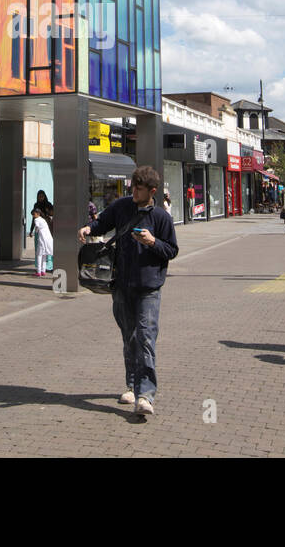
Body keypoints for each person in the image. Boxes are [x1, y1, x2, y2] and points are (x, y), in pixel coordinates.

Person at [78, 165, 178, 416]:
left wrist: (153, 241)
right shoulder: (122, 207)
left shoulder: (161, 218)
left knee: (145, 337)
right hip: (121, 284)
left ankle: (145, 395)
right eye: (133, 186)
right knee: (129, 338)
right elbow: (102, 223)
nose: (133, 191)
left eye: (139, 188)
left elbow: (172, 250)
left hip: (149, 287)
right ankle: (132, 386)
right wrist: (89, 229)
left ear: (152, 191)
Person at [29, 204, 53, 276]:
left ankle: (38, 271)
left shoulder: (36, 220)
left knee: (39, 255)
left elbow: (37, 227)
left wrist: (34, 232)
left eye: (34, 214)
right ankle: (43, 271)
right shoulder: (43, 219)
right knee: (44, 255)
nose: (33, 216)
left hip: (42, 239)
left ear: (38, 213)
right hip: (48, 239)